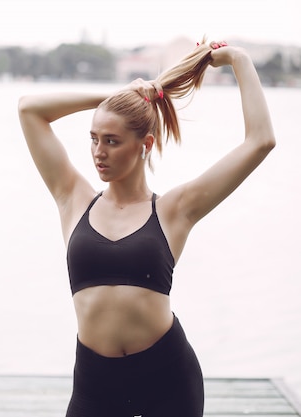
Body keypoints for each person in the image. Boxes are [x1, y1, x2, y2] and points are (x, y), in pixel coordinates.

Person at [17, 39, 275, 417]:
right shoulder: (73, 198)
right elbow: (29, 110)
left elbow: (260, 141)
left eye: (112, 141)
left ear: (145, 144)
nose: (98, 152)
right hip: (95, 385)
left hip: (168, 382)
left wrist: (239, 59)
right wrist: (119, 97)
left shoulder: (175, 210)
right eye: (93, 139)